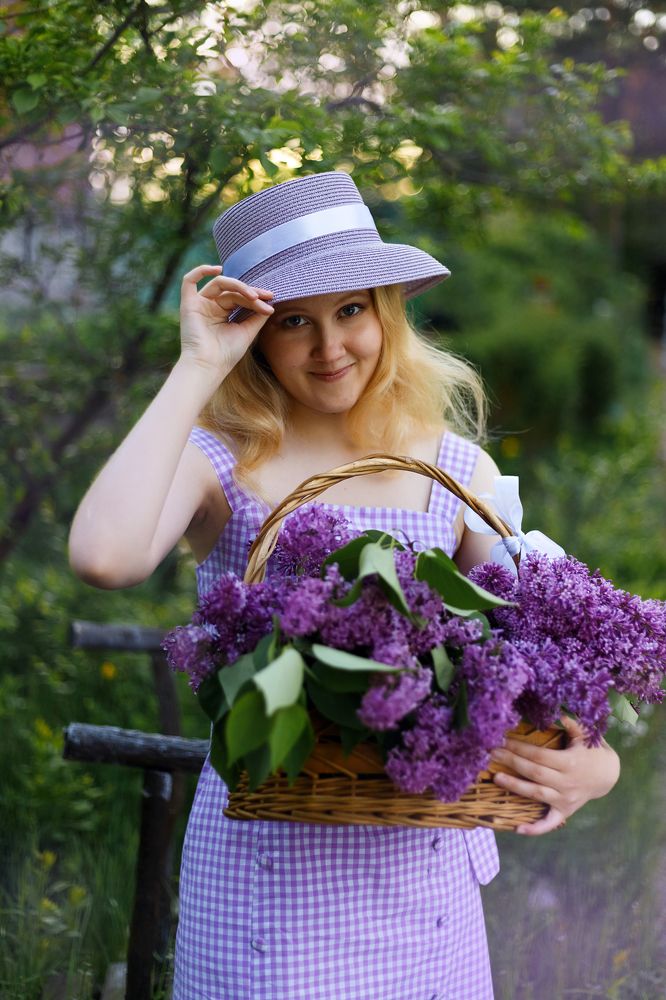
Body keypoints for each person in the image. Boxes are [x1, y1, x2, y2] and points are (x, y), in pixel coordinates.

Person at [69, 172, 620, 1000]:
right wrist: (196, 366)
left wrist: (596, 766)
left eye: (350, 311)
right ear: (254, 332)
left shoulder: (453, 469)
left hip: (426, 891)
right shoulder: (224, 460)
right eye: (294, 321)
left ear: (385, 313)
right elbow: (104, 558)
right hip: (270, 890)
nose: (329, 348)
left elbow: (537, 650)